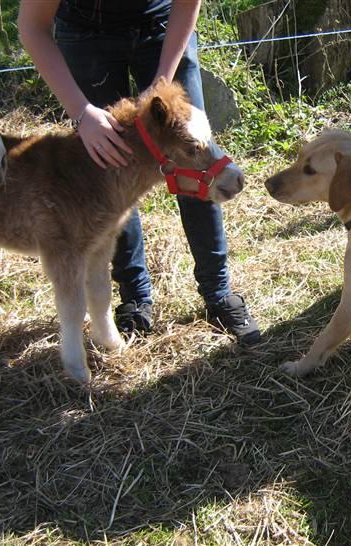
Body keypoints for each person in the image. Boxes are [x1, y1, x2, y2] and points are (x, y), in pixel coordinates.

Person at [18, 0, 260, 345]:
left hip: (162, 26)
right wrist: (82, 112)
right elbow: (32, 27)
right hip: (87, 35)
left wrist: (162, 82)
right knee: (111, 160)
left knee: (192, 147)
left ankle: (219, 293)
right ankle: (134, 296)